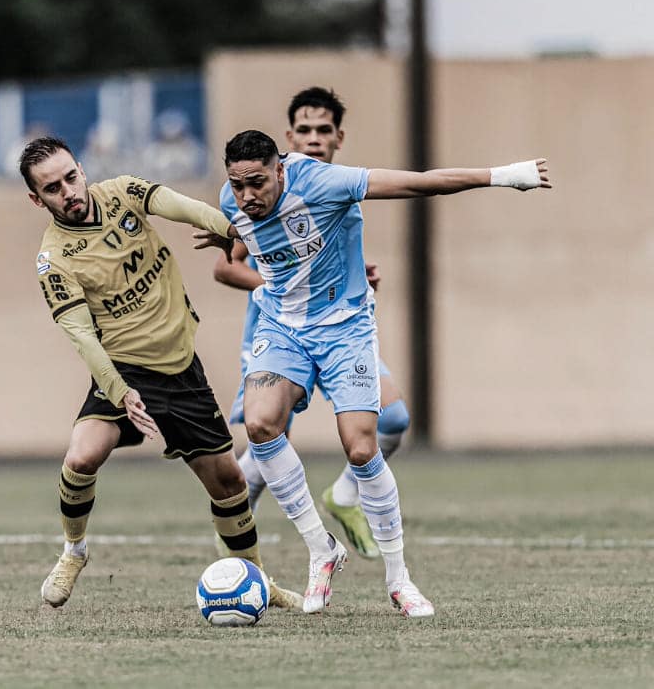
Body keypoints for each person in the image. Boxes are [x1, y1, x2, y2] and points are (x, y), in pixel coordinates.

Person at [206, 129, 549, 617]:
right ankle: (321, 550)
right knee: (260, 424)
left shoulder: (325, 182)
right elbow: (233, 240)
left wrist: (504, 177)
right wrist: (224, 227)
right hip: (282, 326)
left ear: (280, 168)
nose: (245, 196)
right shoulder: (232, 199)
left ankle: (398, 579)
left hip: (346, 329)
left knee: (363, 447)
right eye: (237, 185)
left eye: (256, 183)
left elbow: (420, 183)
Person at [19, 136, 301, 611]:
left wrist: (236, 232)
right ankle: (74, 550)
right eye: (52, 188)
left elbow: (185, 208)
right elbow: (82, 336)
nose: (67, 191)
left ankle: (257, 583)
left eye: (70, 177)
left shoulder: (125, 192)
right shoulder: (55, 259)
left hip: (181, 370)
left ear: (82, 170)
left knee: (229, 483)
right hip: (123, 373)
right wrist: (120, 391)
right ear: (37, 199)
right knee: (83, 456)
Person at [213, 87, 409, 561]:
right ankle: (233, 546)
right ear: (287, 138)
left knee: (394, 418)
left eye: (323, 130)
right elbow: (228, 265)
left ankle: (343, 496)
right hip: (280, 325)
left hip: (341, 328)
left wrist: (359, 275)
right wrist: (283, 280)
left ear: (339, 137)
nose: (313, 138)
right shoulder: (261, 193)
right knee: (269, 440)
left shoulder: (334, 186)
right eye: (304, 130)